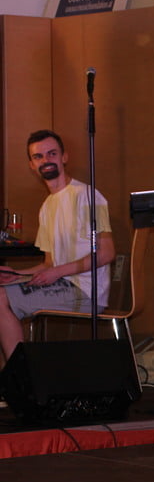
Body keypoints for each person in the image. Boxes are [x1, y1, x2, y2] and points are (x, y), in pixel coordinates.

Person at [0, 130, 115, 360]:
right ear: (32, 165)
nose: (46, 160)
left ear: (64, 157)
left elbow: (106, 253)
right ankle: (20, 372)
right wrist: (16, 274)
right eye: (38, 156)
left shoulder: (88, 196)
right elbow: (49, 264)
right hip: (63, 283)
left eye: (52, 154)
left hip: (86, 291)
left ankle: (19, 374)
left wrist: (57, 272)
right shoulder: (47, 207)